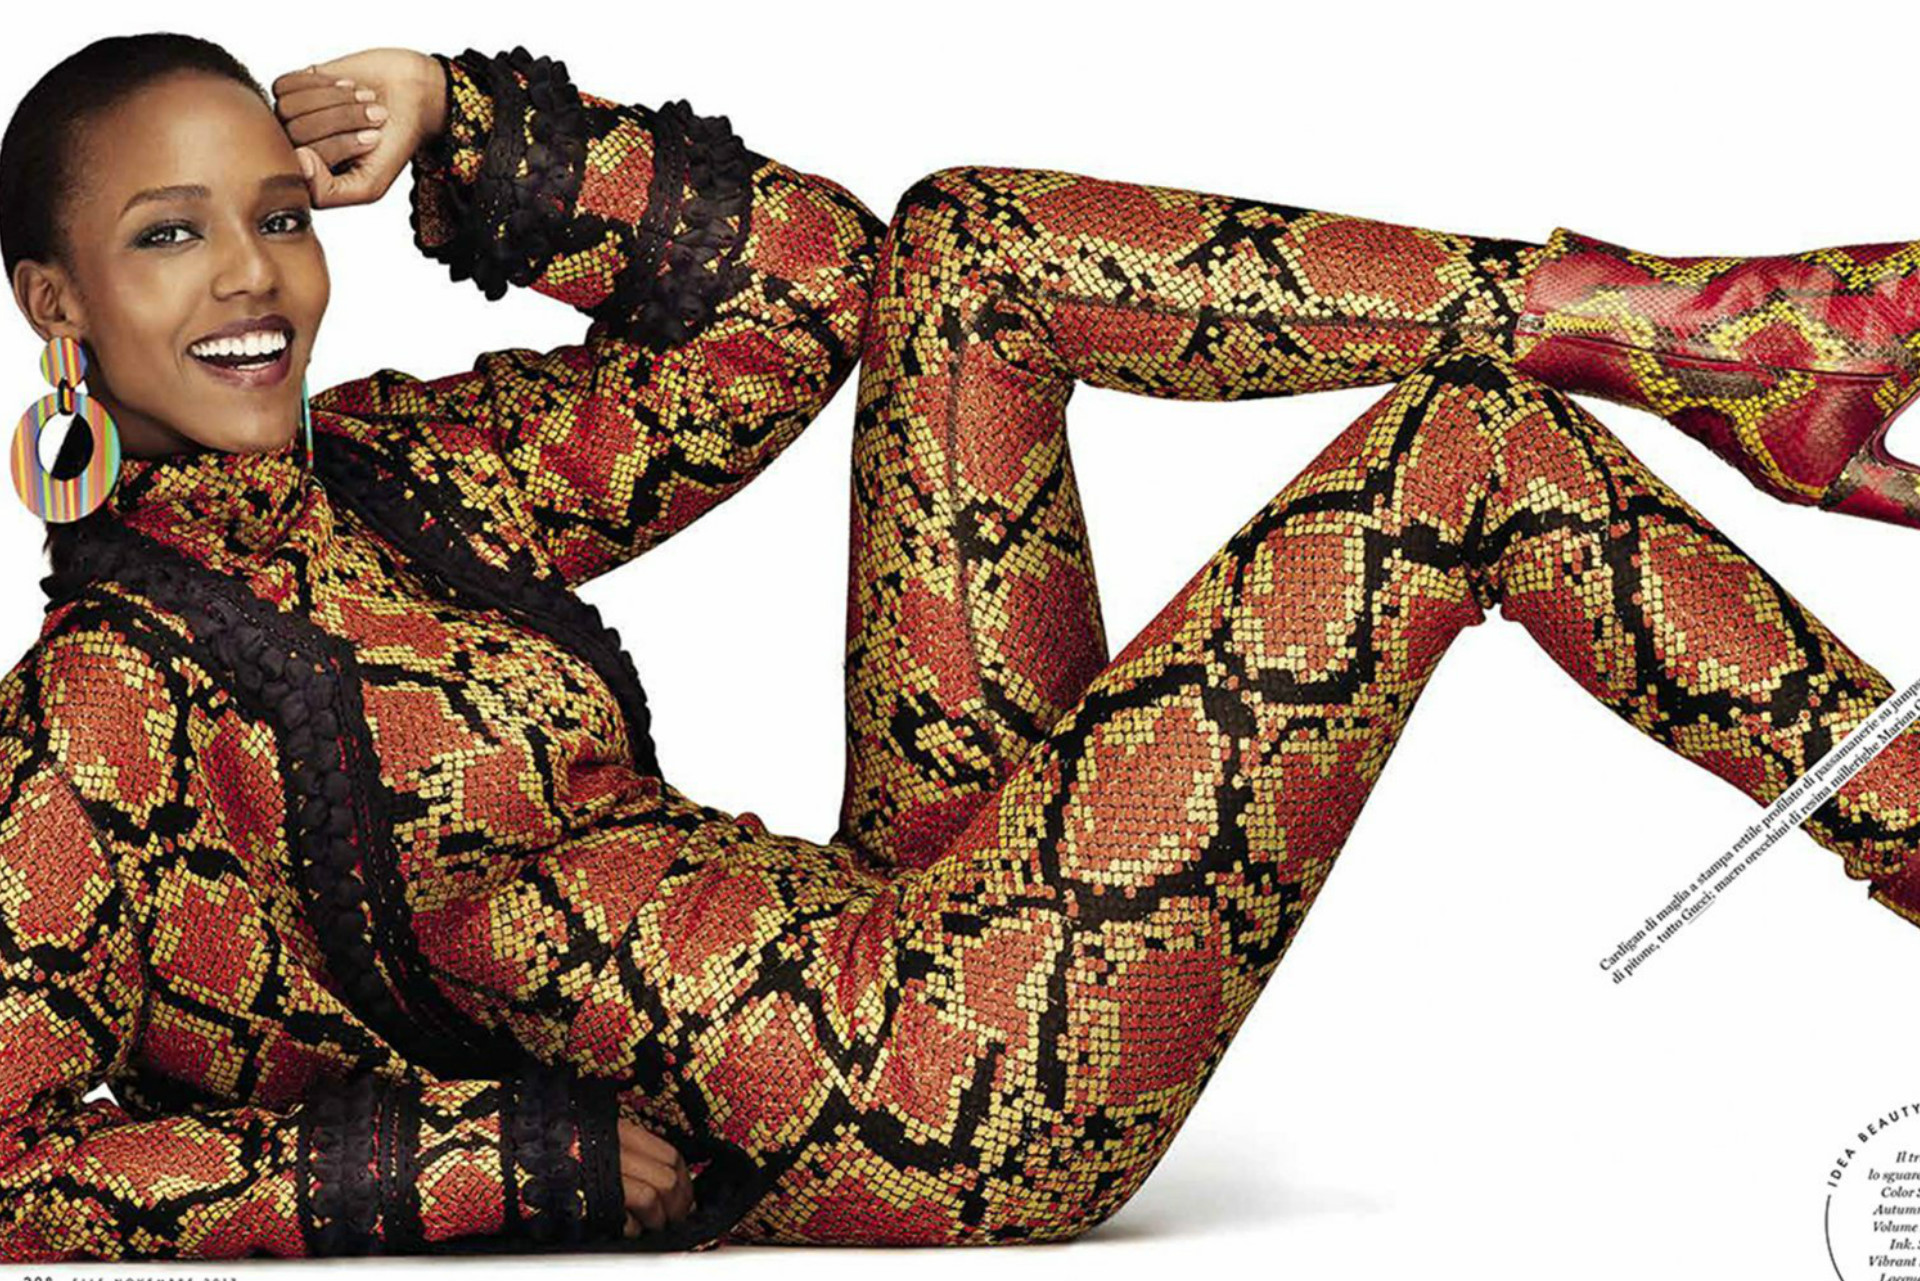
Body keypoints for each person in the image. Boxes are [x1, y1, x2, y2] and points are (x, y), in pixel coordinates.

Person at [0, 31, 1916, 1262]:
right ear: (51, 300)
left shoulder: (406, 473)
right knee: (1470, 456)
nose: (252, 276)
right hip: (949, 1085)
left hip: (908, 904)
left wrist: (471, 129)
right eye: (169, 235)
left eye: (275, 216)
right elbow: (13, 1166)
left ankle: (1708, 332)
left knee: (966, 246)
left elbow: (800, 291)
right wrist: (485, 1161)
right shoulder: (100, 713)